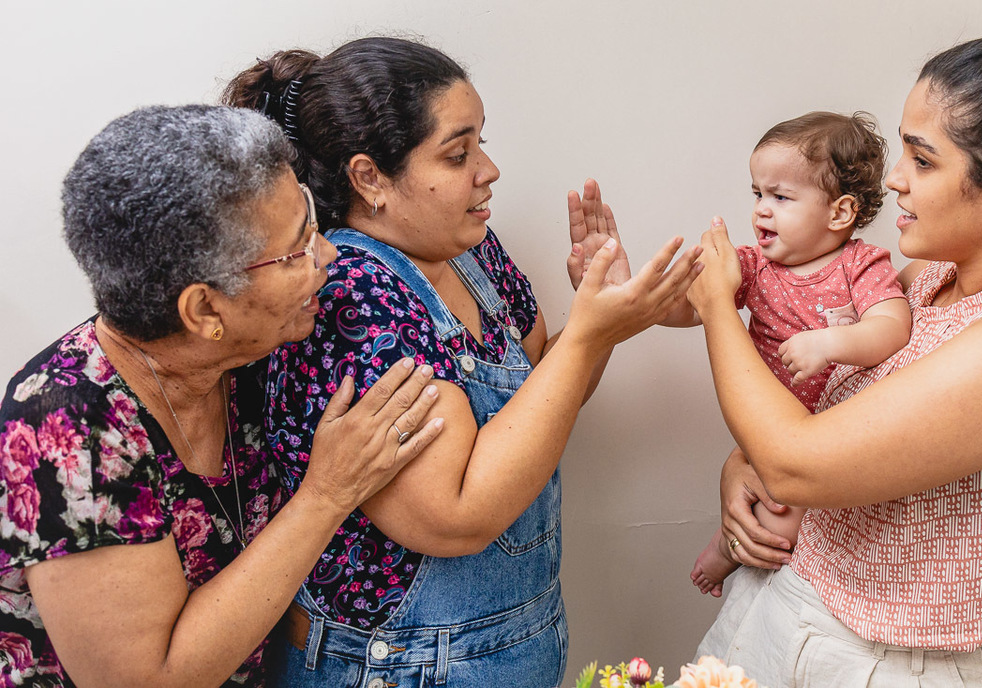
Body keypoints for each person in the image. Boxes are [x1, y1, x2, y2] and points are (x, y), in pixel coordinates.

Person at [223, 36, 701, 687]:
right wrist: (591, 336)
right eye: (458, 154)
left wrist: (606, 317)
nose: (489, 169)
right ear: (369, 178)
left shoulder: (469, 250)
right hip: (402, 666)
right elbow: (453, 515)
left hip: (511, 643)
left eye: (482, 143)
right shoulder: (351, 292)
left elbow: (542, 390)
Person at [687, 31, 982, 687]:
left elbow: (799, 463)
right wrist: (739, 466)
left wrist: (718, 310)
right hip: (789, 603)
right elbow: (837, 418)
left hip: (891, 665)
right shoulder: (929, 275)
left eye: (921, 160)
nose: (893, 179)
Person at [0, 105, 446, 688]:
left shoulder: (254, 350)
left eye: (311, 222)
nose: (327, 256)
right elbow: (148, 681)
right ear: (206, 309)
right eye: (297, 250)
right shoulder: (65, 427)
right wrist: (327, 494)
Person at [681, 111, 911, 599]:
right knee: (770, 506)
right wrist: (637, 297)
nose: (762, 211)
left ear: (839, 213)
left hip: (830, 435)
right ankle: (730, 545)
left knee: (783, 522)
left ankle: (729, 547)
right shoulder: (755, 266)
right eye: (758, 195)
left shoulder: (860, 264)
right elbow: (694, 303)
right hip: (767, 423)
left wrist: (828, 343)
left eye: (781, 197)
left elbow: (892, 327)